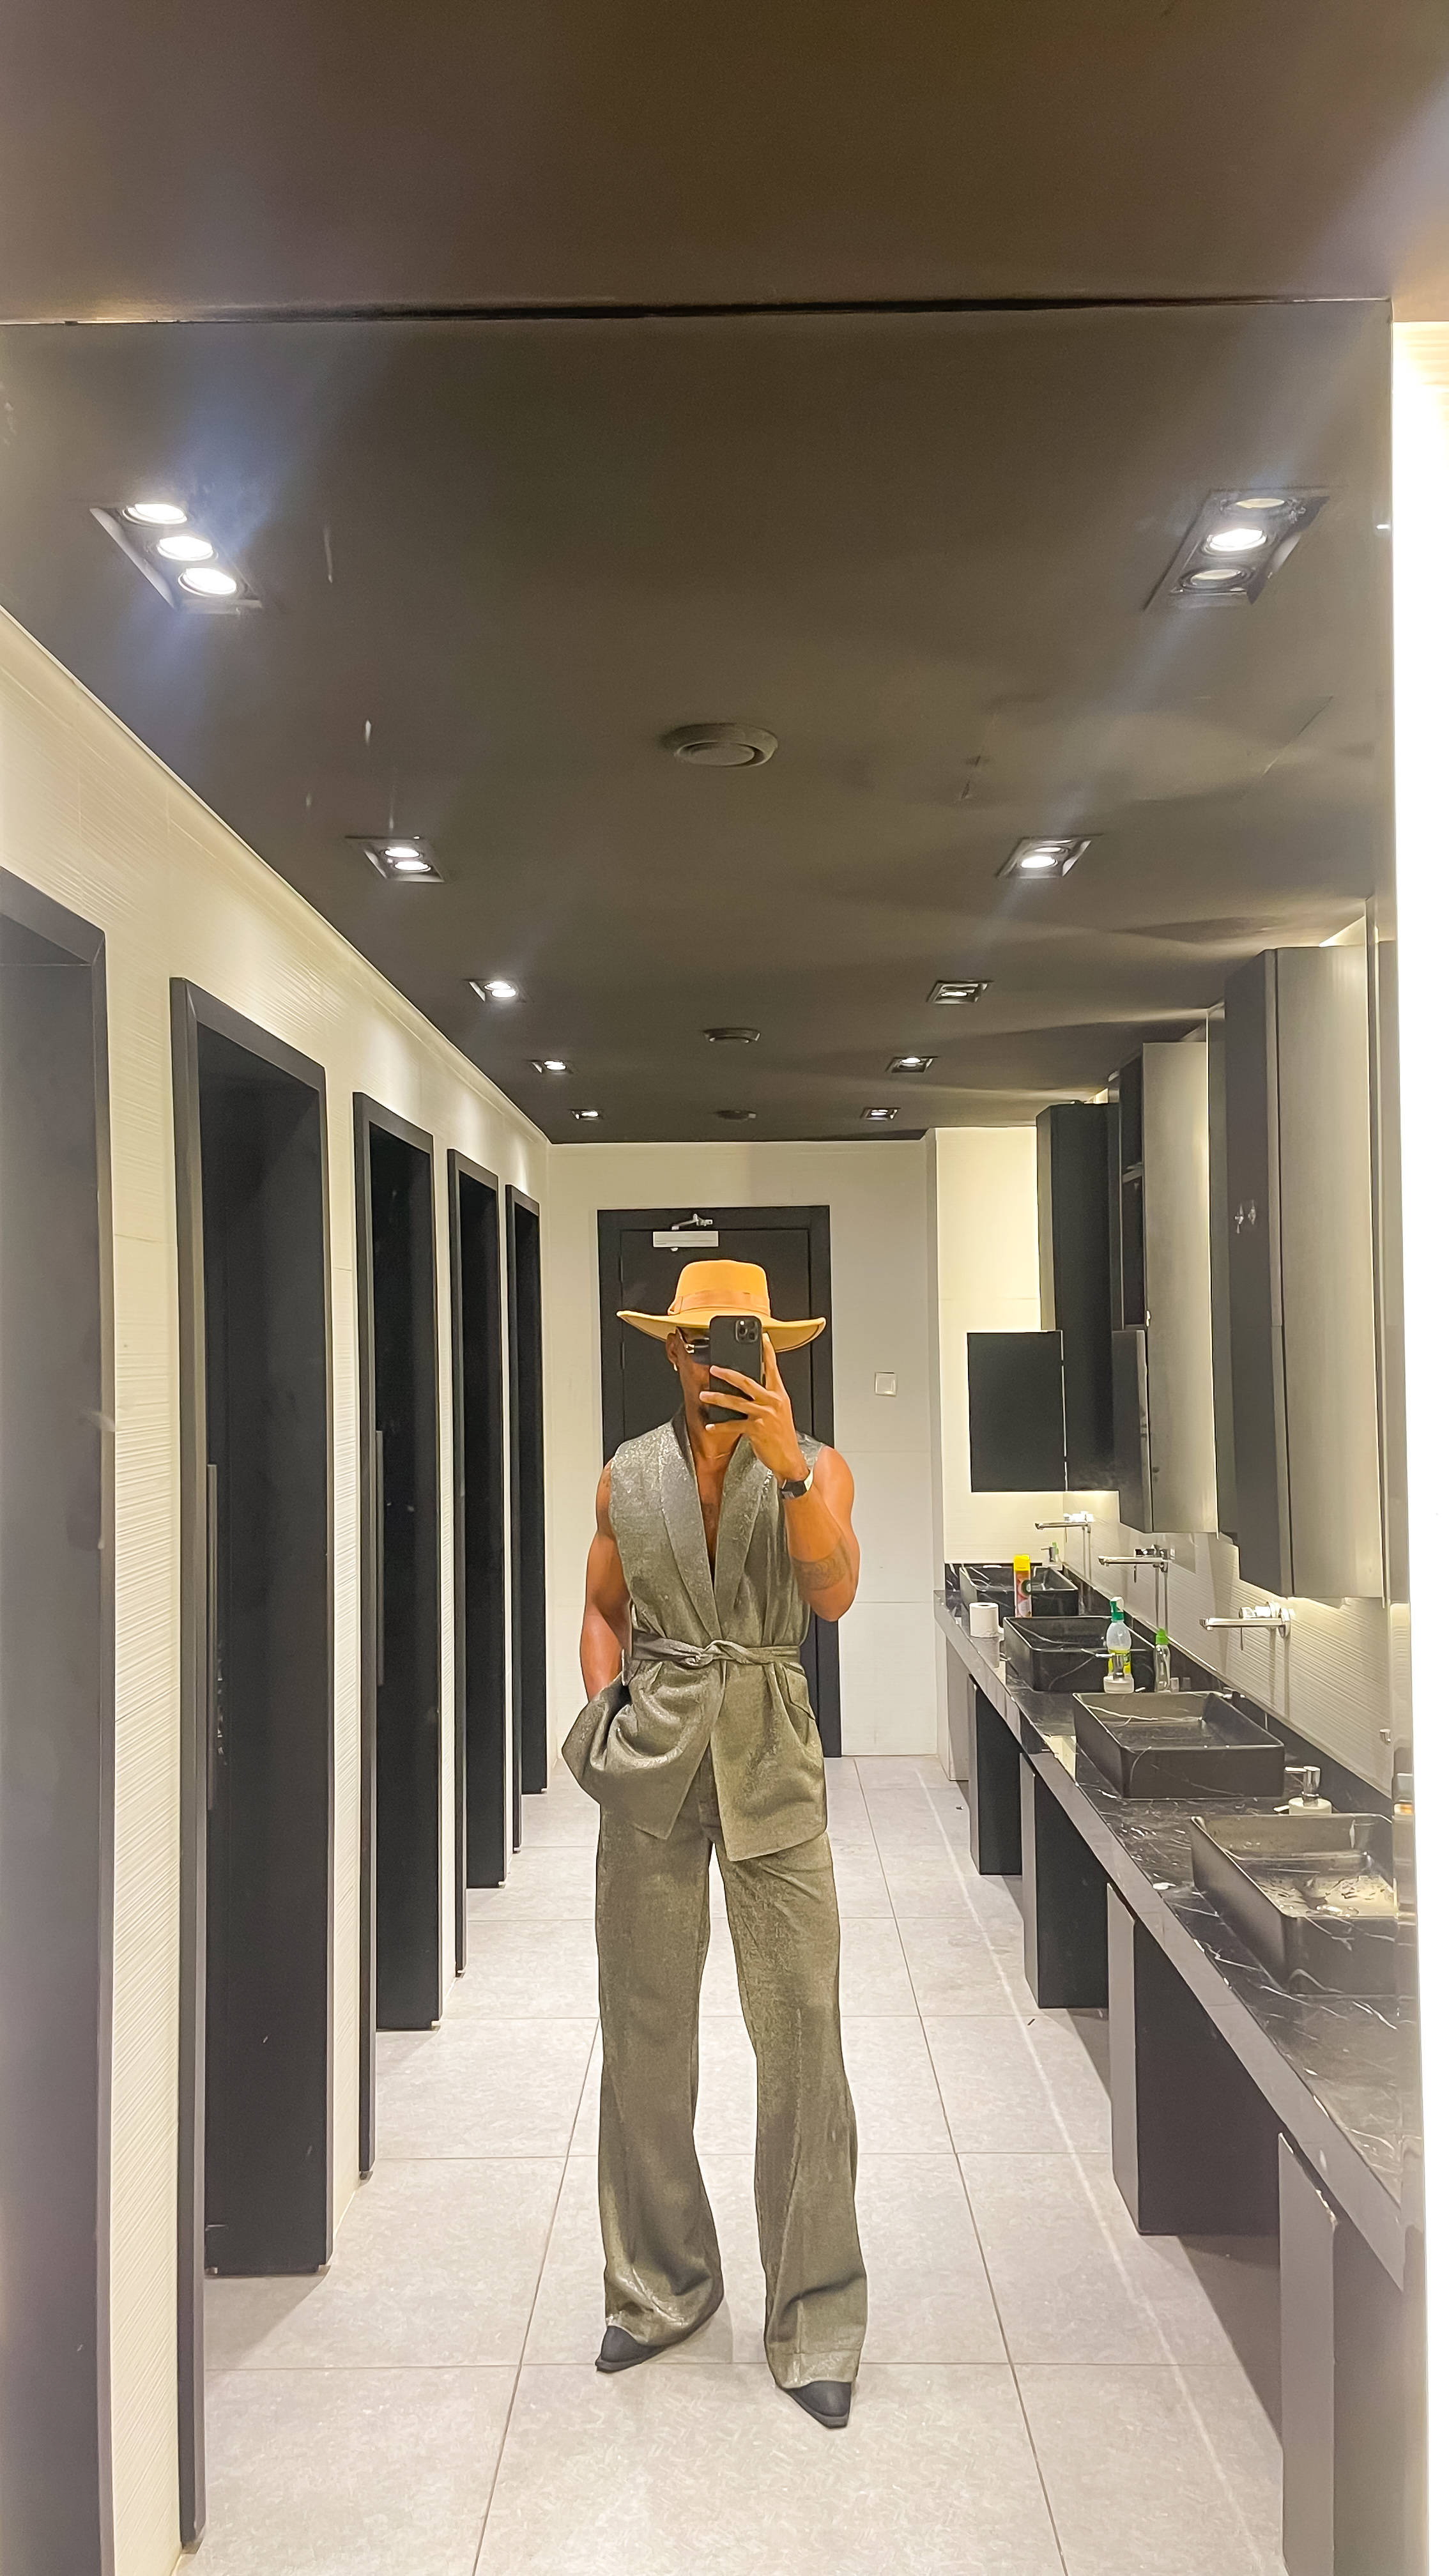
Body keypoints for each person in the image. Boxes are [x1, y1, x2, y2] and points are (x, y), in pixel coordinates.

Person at [565, 1259, 868, 2430]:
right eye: (699, 1343)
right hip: (653, 1762)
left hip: (770, 1758)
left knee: (804, 2034)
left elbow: (834, 1595)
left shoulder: (816, 1465)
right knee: (643, 2033)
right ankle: (660, 2287)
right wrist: (606, 1712)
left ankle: (815, 2315)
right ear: (671, 1351)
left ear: (772, 1351)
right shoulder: (627, 1473)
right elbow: (603, 1607)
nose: (717, 1362)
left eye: (741, 1341)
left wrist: (789, 1469)